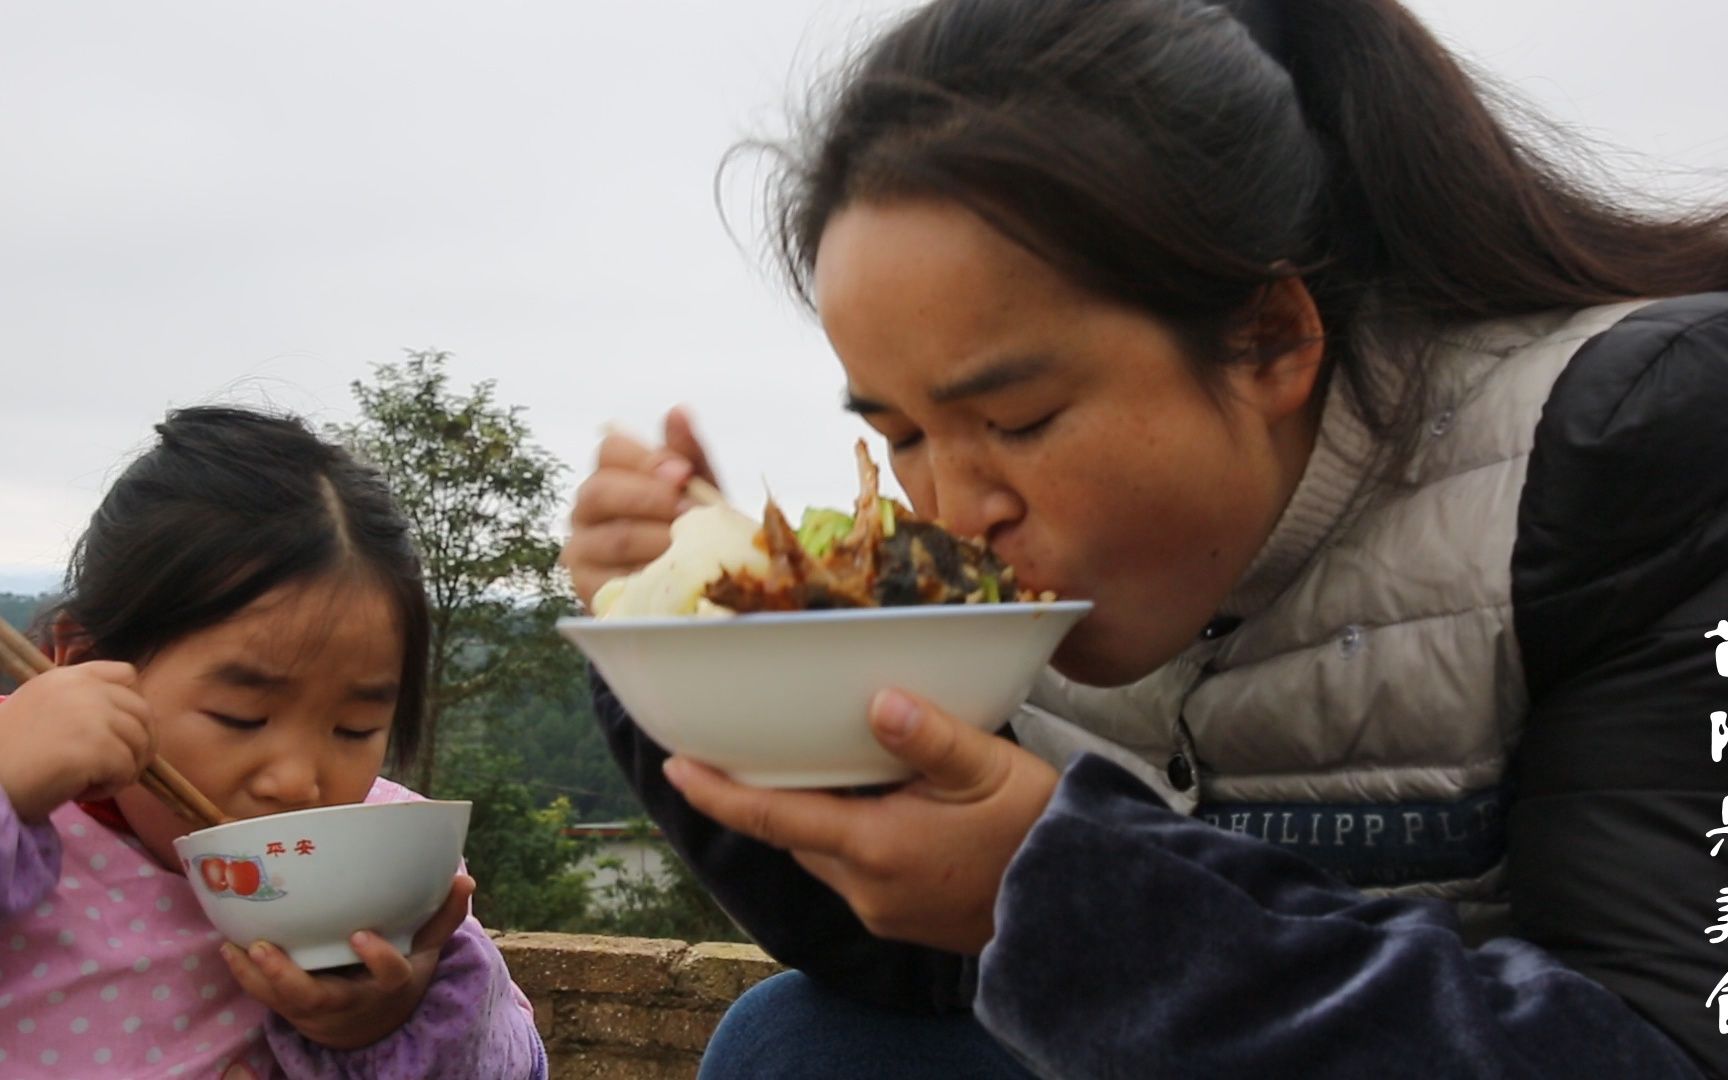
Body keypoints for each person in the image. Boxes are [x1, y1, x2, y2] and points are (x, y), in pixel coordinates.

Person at [563, 0, 1728, 1075]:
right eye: (901, 435)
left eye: (1016, 421)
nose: (958, 511)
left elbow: (1669, 1045)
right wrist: (702, 643)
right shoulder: (1035, 585)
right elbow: (917, 958)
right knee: (803, 1045)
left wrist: (1068, 894)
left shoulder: (1632, 454)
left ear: (1272, 340)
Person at [0, 407, 547, 1079]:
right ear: (80, 667)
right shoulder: (31, 814)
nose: (296, 781)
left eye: (354, 729)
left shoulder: (385, 858)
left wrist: (390, 1019)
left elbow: (514, 1066)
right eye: (241, 715)